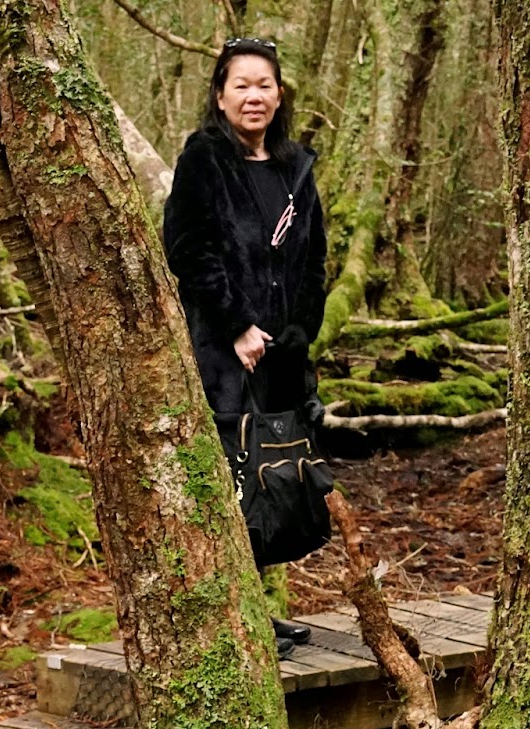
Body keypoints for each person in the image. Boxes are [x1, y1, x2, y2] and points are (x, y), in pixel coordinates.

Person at [163, 37, 328, 656]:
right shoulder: (205, 159)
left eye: (264, 85)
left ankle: (254, 609)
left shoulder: (294, 167)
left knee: (270, 479)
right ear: (220, 95)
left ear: (279, 95)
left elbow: (313, 260)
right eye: (241, 85)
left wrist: (299, 333)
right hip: (221, 353)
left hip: (279, 356)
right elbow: (188, 249)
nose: (253, 96)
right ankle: (226, 619)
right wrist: (237, 324)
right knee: (227, 482)